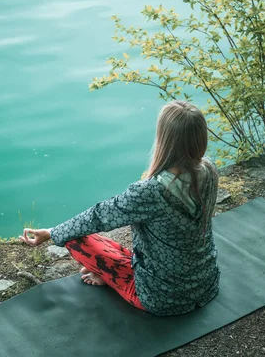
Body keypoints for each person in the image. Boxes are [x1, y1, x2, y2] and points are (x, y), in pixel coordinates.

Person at [19, 100, 220, 316]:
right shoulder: (209, 170)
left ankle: (111, 278)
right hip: (206, 283)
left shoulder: (149, 191)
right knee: (111, 247)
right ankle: (110, 273)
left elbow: (98, 217)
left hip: (163, 297)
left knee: (77, 239)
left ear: (164, 139)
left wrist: (51, 233)